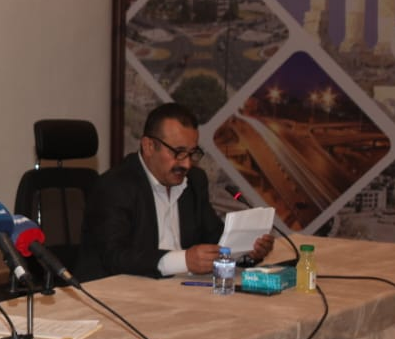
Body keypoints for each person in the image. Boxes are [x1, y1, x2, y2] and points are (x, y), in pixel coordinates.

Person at [74, 102, 274, 282]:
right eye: (178, 152)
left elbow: (215, 238)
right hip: (119, 294)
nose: (186, 164)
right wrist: (184, 260)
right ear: (149, 146)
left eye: (192, 153)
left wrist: (247, 252)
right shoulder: (114, 186)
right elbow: (116, 257)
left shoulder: (194, 181)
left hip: (179, 290)